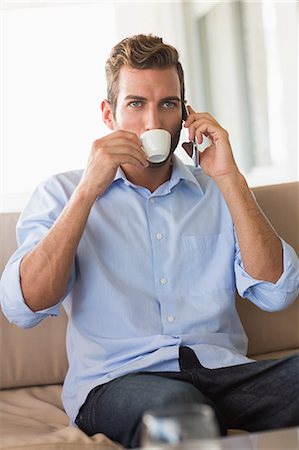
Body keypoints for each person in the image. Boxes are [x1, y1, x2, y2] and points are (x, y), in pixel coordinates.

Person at [1, 34, 298, 449]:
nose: (153, 124)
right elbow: (24, 305)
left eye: (168, 104)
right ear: (109, 114)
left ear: (185, 114)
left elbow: (275, 291)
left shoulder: (216, 191)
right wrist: (87, 191)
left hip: (221, 371)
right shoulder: (62, 193)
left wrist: (229, 177)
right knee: (183, 413)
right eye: (136, 104)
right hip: (118, 381)